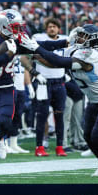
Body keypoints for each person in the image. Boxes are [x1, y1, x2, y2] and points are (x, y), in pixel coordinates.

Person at [18, 24, 98, 176]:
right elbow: (52, 61)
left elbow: (59, 62)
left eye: (83, 36)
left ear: (91, 40)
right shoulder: (76, 50)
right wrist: (31, 52)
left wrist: (36, 48)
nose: (79, 37)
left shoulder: (89, 57)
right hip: (93, 101)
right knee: (88, 137)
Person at [0, 9, 67, 178]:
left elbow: (44, 47)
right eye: (16, 27)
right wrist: (9, 54)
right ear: (4, 25)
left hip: (5, 89)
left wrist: (65, 43)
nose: (20, 31)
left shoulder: (17, 40)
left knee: (5, 123)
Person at [31, 18, 68, 157]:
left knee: (59, 115)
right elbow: (33, 55)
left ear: (59, 28)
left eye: (54, 26)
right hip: (43, 82)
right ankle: (39, 146)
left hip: (60, 82)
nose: (52, 29)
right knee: (42, 116)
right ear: (46, 29)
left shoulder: (65, 39)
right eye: (49, 27)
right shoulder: (38, 38)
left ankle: (60, 146)